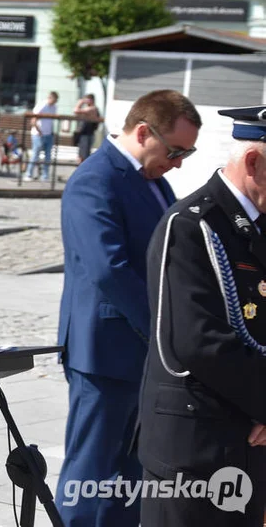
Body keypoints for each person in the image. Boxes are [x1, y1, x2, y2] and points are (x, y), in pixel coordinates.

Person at [56, 89, 201, 526]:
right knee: (90, 474)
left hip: (141, 354)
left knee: (130, 477)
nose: (178, 162)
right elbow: (109, 270)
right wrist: (163, 329)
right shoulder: (95, 180)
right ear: (143, 132)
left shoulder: (152, 181)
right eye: (175, 150)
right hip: (104, 353)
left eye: (186, 154)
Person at [137, 105, 266, 526]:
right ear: (254, 162)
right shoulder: (192, 226)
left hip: (247, 447)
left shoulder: (257, 226)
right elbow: (199, 342)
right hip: (195, 452)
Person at [26, 91, 59, 181]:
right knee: (35, 154)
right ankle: (28, 174)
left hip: (48, 134)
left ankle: (45, 175)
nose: (54, 102)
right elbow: (33, 120)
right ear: (50, 98)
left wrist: (52, 132)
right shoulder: (42, 105)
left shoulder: (54, 107)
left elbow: (51, 121)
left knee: (48, 155)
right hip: (38, 134)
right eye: (54, 100)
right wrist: (39, 130)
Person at [72, 94, 101, 164]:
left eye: (87, 99)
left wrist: (80, 102)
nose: (86, 101)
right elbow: (76, 113)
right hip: (84, 134)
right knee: (81, 154)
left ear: (92, 100)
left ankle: (83, 168)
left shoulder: (93, 108)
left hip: (88, 134)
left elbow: (76, 110)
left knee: (85, 155)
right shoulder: (88, 109)